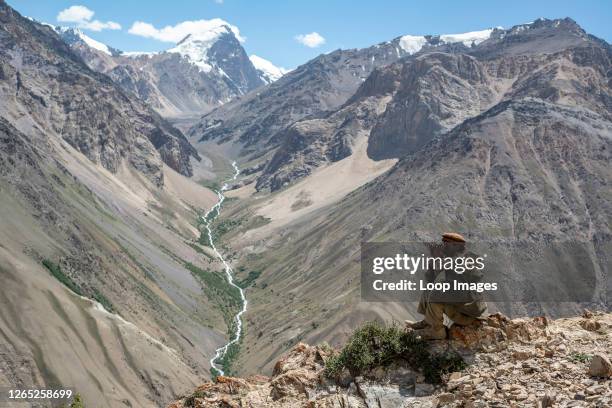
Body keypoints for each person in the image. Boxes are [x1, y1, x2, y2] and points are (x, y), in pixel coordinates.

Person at [406, 232, 488, 340]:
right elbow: (432, 281)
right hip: (462, 306)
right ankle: (428, 322)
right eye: (443, 242)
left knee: (436, 296)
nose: (443, 246)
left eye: (446, 244)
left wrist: (436, 257)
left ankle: (437, 332)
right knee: (430, 290)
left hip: (469, 315)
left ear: (456, 246)